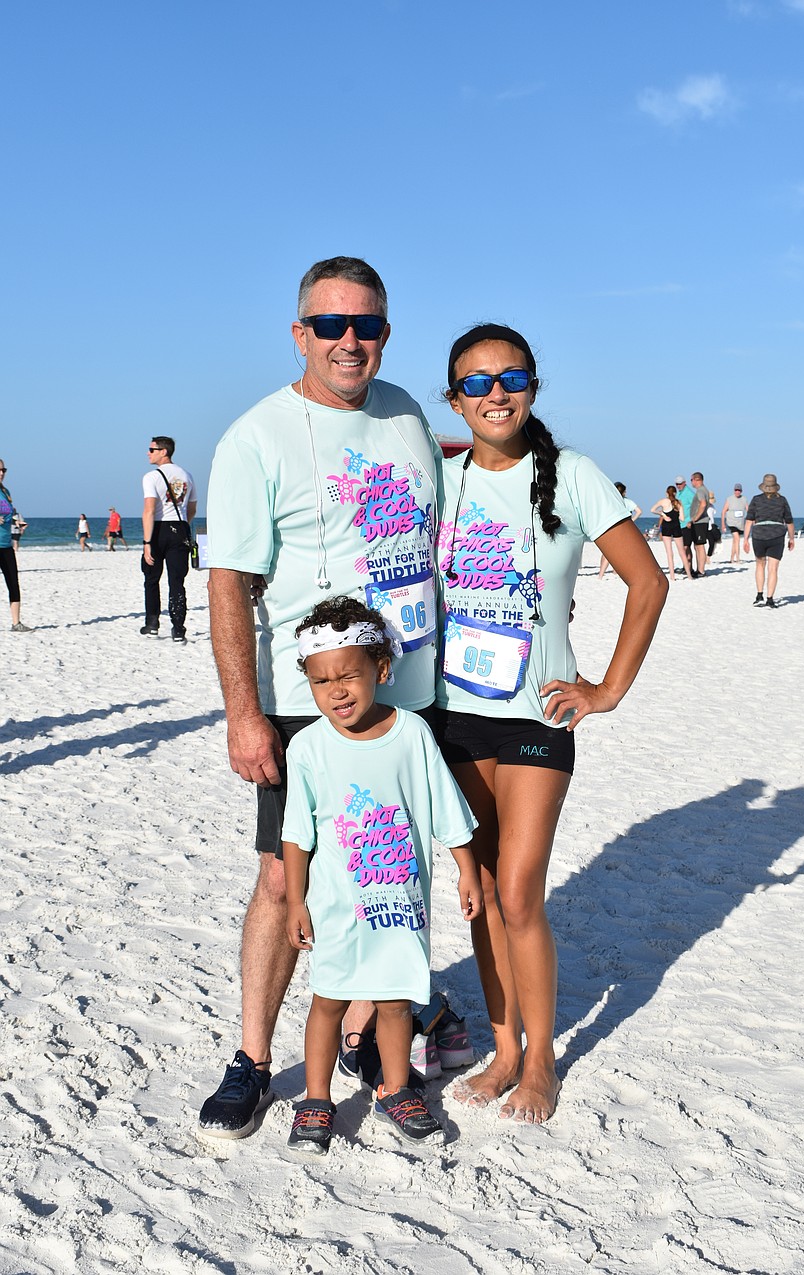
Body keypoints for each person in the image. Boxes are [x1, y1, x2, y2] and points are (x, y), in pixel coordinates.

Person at [199, 256, 446, 1140]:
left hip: (410, 693)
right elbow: (229, 583)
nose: (350, 341)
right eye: (331, 325)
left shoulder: (409, 414)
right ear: (300, 333)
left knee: (387, 869)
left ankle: (358, 1032)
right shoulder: (256, 437)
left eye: (365, 325)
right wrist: (243, 711)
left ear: (386, 333)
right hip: (312, 699)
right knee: (282, 875)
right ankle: (251, 1058)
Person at [433, 324, 668, 1123]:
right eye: (476, 382)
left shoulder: (572, 474)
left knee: (520, 890)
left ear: (534, 386)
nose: (495, 392)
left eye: (512, 377)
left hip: (537, 714)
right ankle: (504, 1050)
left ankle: (541, 1062)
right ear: (455, 397)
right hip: (455, 713)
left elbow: (648, 583)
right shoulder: (442, 478)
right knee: (482, 890)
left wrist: (607, 688)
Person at [281, 596, 481, 1156]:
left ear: (381, 668)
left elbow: (445, 807)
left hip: (400, 901)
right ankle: (316, 1098)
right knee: (328, 1000)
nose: (337, 691)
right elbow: (296, 833)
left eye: (349, 675)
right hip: (336, 906)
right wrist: (296, 901)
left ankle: (396, 1089)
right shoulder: (307, 747)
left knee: (394, 1002)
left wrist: (466, 869)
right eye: (322, 681)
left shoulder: (411, 733)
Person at [141, 437, 197, 640]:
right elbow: (192, 509)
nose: (148, 453)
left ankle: (152, 624)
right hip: (179, 527)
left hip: (158, 529)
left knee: (151, 578)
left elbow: (149, 511)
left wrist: (147, 543)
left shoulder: (151, 477)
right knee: (177, 581)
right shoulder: (187, 475)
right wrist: (181, 525)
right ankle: (178, 628)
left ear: (163, 451)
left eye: (151, 449)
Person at [743, 473, 795, 608]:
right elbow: (789, 521)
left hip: (759, 535)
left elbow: (749, 520)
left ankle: (759, 594)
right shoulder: (782, 500)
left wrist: (745, 539)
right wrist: (791, 538)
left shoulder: (756, 500)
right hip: (777, 535)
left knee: (760, 565)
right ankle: (770, 599)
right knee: (773, 569)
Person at [0, 459, 32, 632]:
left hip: (6, 544)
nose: (1, 473)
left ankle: (16, 623)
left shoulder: (6, 492)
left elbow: (9, 514)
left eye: (3, 470)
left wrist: (17, 522)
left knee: (13, 582)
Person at [597, 483, 642, 577]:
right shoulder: (627, 501)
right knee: (620, 550)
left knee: (607, 551)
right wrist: (632, 521)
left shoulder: (609, 501)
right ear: (623, 492)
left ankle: (601, 574)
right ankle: (615, 571)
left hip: (610, 526)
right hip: (624, 527)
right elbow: (639, 511)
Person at [651, 485, 693, 580]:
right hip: (676, 526)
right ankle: (689, 575)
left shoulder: (663, 501)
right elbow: (682, 518)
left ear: (667, 493)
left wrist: (663, 514)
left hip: (666, 527)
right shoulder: (678, 502)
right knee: (682, 552)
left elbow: (652, 510)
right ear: (675, 493)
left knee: (669, 553)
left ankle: (672, 576)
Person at [687, 471, 710, 576]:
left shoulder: (701, 490)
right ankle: (699, 569)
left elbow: (703, 504)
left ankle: (701, 570)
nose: (691, 482)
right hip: (699, 522)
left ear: (696, 480)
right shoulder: (702, 490)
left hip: (700, 522)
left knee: (700, 546)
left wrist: (696, 517)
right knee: (697, 545)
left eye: (691, 480)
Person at [721, 484, 747, 563]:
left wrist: (752, 520)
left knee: (735, 541)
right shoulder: (729, 499)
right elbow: (723, 511)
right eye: (736, 490)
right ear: (734, 490)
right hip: (731, 522)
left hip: (740, 523)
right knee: (737, 539)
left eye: (739, 490)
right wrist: (723, 524)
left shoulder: (744, 499)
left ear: (741, 491)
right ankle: (738, 558)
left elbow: (748, 510)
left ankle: (732, 559)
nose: (737, 492)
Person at [675, 476, 695, 573]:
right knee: (683, 547)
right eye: (677, 484)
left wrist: (691, 520)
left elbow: (696, 506)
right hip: (680, 524)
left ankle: (689, 567)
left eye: (680, 484)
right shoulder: (679, 493)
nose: (678, 486)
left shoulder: (689, 493)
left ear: (684, 483)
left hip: (687, 523)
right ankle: (685, 566)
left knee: (686, 546)